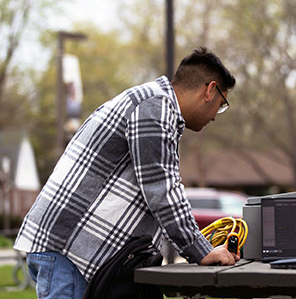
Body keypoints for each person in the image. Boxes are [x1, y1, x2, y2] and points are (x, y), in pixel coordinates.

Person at [15, 47, 239, 299]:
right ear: (209, 90)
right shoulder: (155, 106)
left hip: (72, 252)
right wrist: (201, 251)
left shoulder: (152, 104)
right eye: (221, 105)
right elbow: (161, 190)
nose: (215, 117)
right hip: (70, 253)